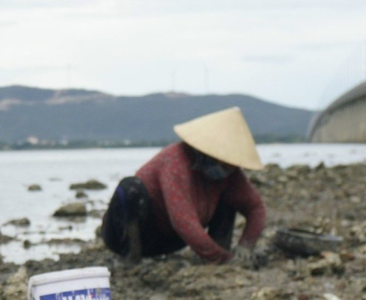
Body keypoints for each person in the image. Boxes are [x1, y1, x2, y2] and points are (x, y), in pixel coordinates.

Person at [101, 106, 266, 265]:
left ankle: (215, 257)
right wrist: (225, 258)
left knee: (230, 200)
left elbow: (256, 208)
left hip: (170, 241)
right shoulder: (176, 162)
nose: (228, 169)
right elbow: (184, 222)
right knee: (130, 188)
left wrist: (246, 245)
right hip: (134, 234)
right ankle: (130, 258)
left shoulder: (230, 175)